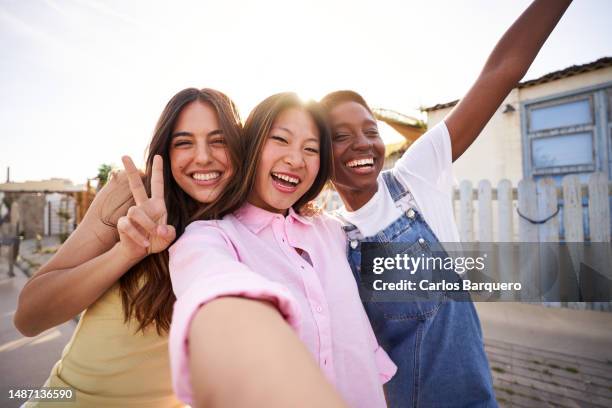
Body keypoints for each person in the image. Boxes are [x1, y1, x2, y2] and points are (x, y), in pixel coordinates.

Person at [320, 0, 573, 406]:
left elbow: (502, 71)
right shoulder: (325, 236)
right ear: (318, 154)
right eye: (341, 135)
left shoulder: (415, 179)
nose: (363, 143)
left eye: (371, 130)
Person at [14, 88, 243, 407]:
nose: (203, 156)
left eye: (219, 140)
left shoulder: (251, 224)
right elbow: (29, 318)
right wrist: (125, 253)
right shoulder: (130, 196)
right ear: (165, 150)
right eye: (184, 142)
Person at [167, 92, 396, 408]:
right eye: (281, 140)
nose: (296, 159)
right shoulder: (209, 238)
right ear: (250, 146)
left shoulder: (333, 232)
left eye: (311, 149)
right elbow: (216, 292)